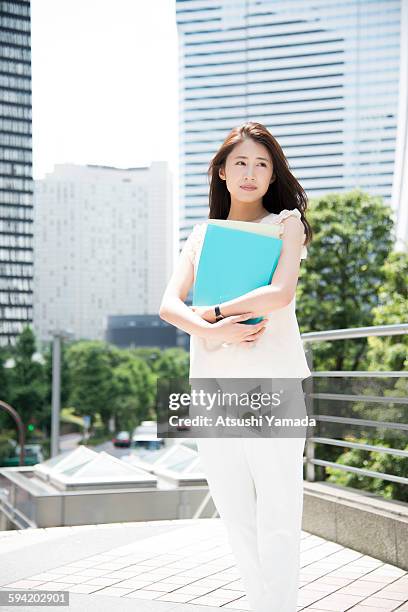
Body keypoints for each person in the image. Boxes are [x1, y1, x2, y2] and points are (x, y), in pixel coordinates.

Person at [159, 121, 313, 612]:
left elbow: (280, 293)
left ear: (273, 176)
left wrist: (218, 312)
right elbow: (168, 304)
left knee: (278, 513)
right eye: (241, 162)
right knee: (235, 512)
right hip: (212, 386)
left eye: (262, 164)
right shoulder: (202, 235)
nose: (251, 173)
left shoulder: (286, 223)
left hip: (274, 383)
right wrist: (210, 332)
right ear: (222, 172)